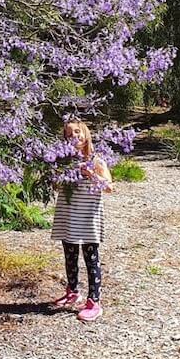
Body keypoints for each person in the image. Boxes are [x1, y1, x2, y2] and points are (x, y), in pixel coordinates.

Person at [50, 118, 113, 323]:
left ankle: (94, 301)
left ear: (85, 134)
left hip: (87, 217)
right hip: (69, 214)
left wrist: (92, 174)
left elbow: (109, 187)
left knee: (90, 257)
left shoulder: (96, 160)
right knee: (69, 254)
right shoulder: (65, 162)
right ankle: (72, 291)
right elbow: (57, 187)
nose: (73, 137)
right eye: (68, 134)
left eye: (77, 132)